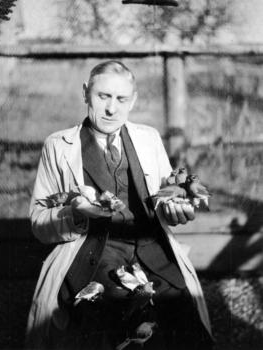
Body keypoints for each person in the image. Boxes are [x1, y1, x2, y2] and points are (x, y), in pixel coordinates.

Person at [26, 60, 213, 350]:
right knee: (104, 315)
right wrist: (74, 213)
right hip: (93, 252)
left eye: (121, 99)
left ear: (133, 100)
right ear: (85, 93)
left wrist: (178, 212)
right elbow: (39, 223)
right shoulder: (58, 146)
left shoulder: (149, 139)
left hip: (152, 249)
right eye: (103, 96)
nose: (112, 109)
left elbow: (166, 201)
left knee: (183, 310)